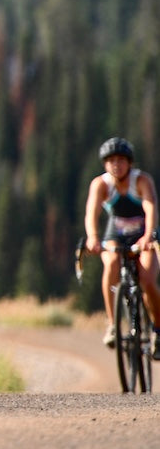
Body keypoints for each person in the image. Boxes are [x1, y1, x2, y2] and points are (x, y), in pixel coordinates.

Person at [83, 136, 160, 349]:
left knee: (147, 279)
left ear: (130, 162)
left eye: (121, 160)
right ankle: (112, 324)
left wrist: (148, 236)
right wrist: (93, 238)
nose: (116, 165)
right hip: (115, 235)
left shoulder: (142, 181)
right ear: (105, 164)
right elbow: (92, 212)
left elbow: (151, 208)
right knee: (112, 263)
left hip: (144, 235)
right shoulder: (101, 184)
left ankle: (158, 329)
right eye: (111, 161)